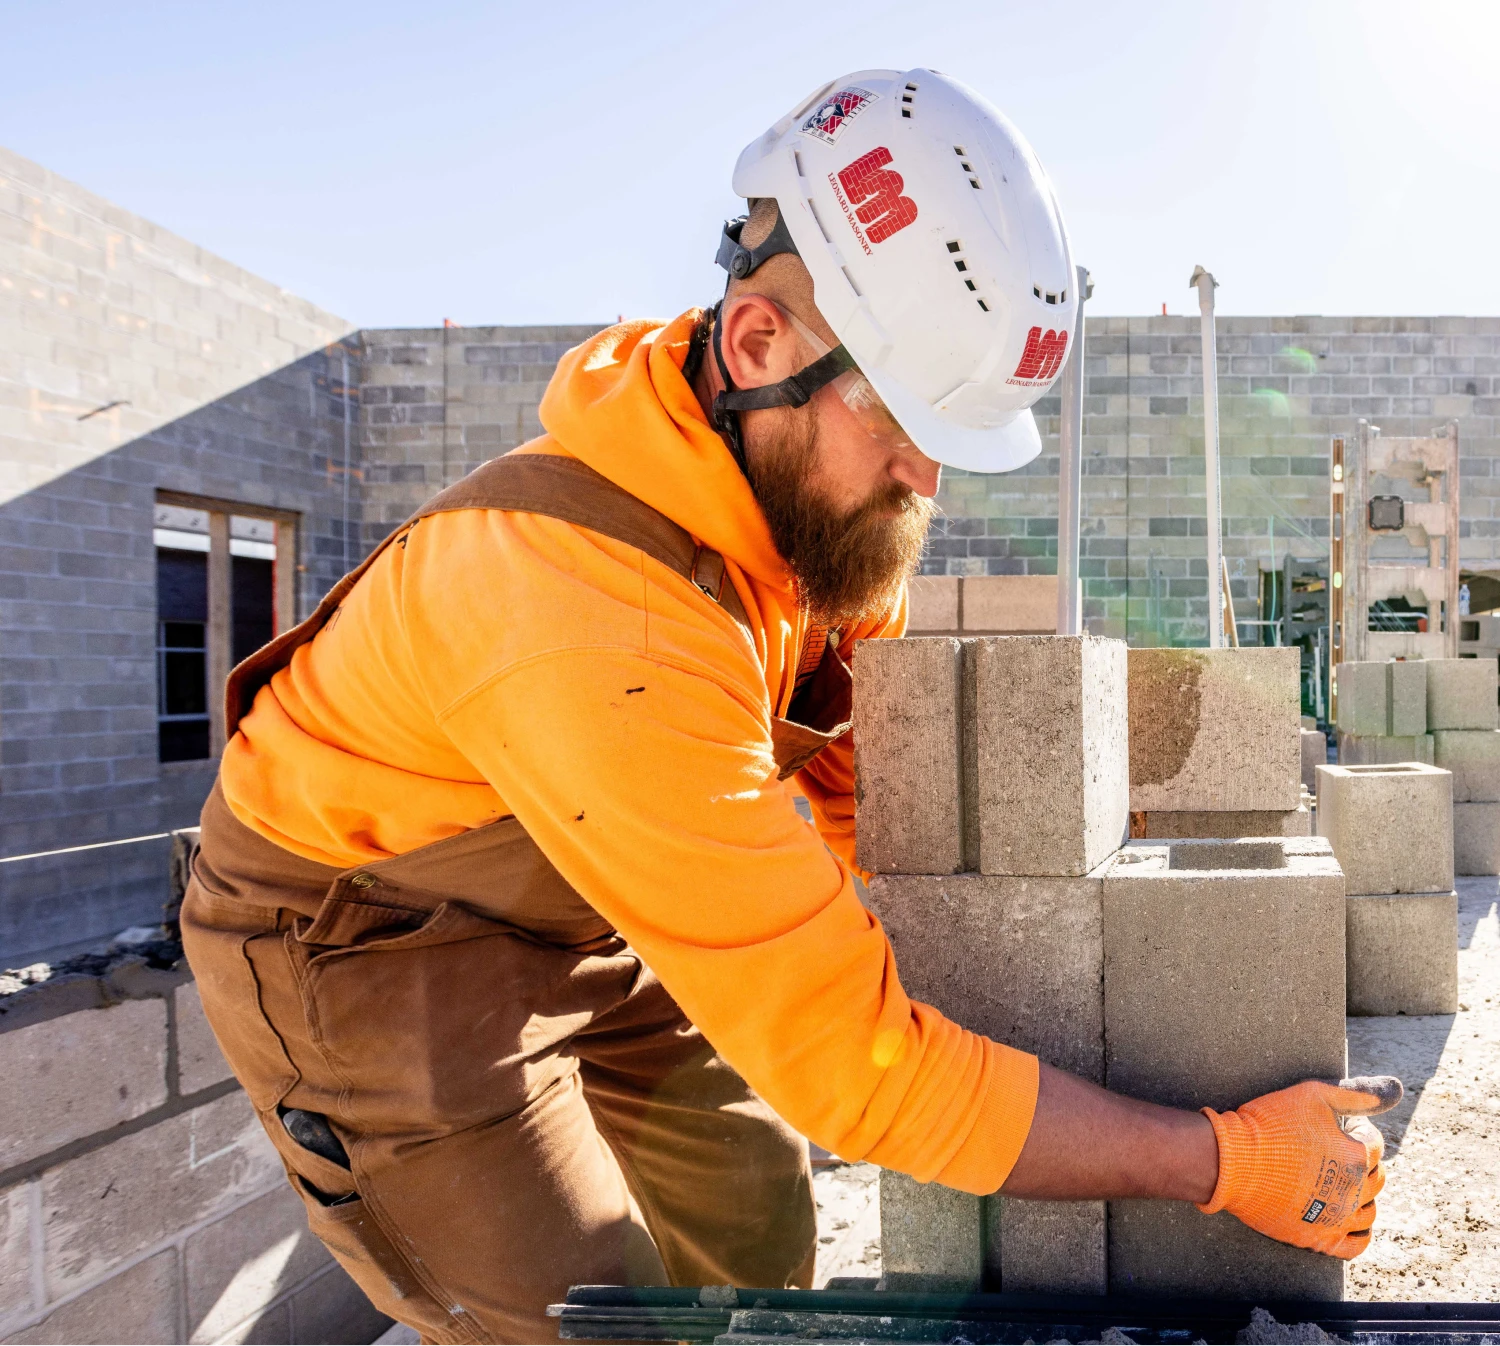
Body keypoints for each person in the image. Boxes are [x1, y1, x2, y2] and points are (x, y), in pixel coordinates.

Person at [181, 68, 1396, 1346]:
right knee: (593, 1317)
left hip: (590, 895)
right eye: (906, 423)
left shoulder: (801, 495)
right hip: (370, 952)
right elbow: (854, 1074)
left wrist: (1073, 836)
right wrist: (1217, 1159)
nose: (927, 474)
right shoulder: (597, 618)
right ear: (761, 344)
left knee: (753, 1225)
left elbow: (858, 774)